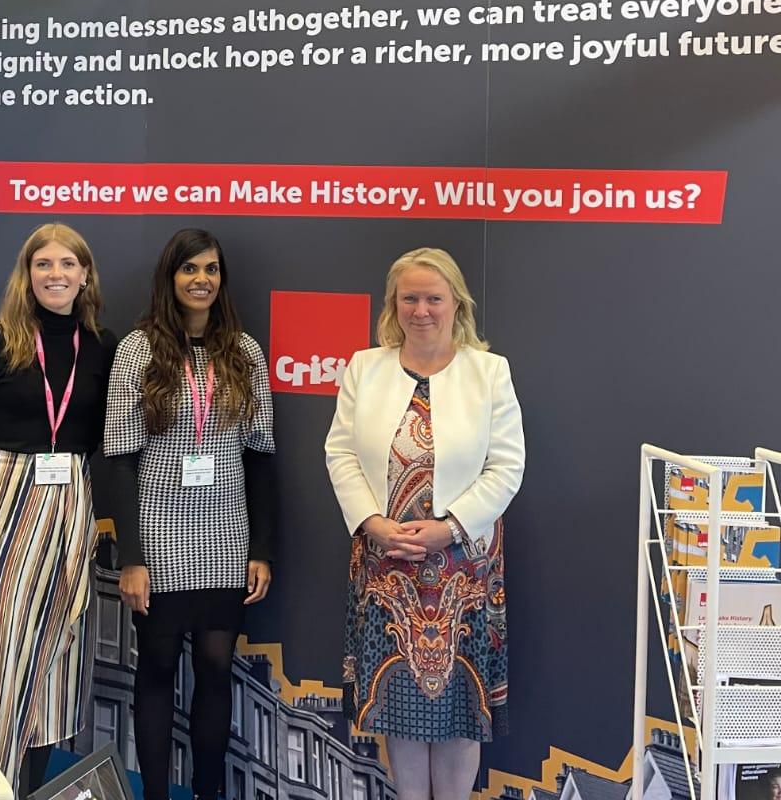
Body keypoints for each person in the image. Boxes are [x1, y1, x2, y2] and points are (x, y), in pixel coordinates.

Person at [325, 248, 524, 800]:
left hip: (465, 568)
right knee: (399, 710)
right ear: (394, 304)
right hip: (385, 565)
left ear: (456, 303)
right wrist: (371, 522)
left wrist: (450, 527)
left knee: (460, 709)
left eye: (433, 298)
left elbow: (506, 466)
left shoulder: (490, 372)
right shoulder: (366, 366)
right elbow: (340, 453)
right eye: (409, 298)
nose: (421, 310)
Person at [104, 229, 276, 800]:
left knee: (216, 665)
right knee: (155, 666)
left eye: (211, 269)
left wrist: (261, 548)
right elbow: (121, 461)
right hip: (156, 527)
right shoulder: (137, 350)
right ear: (169, 278)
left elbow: (260, 459)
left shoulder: (246, 352)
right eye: (189, 269)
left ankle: (208, 792)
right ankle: (155, 793)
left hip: (226, 530)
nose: (201, 280)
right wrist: (131, 558)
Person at [0, 224, 118, 796]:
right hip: (3, 494)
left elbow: (102, 433)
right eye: (43, 264)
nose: (56, 275)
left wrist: (59, 485)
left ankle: (30, 787)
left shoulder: (102, 347)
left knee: (60, 648)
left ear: (85, 274)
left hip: (69, 494)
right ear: (27, 274)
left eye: (67, 264)